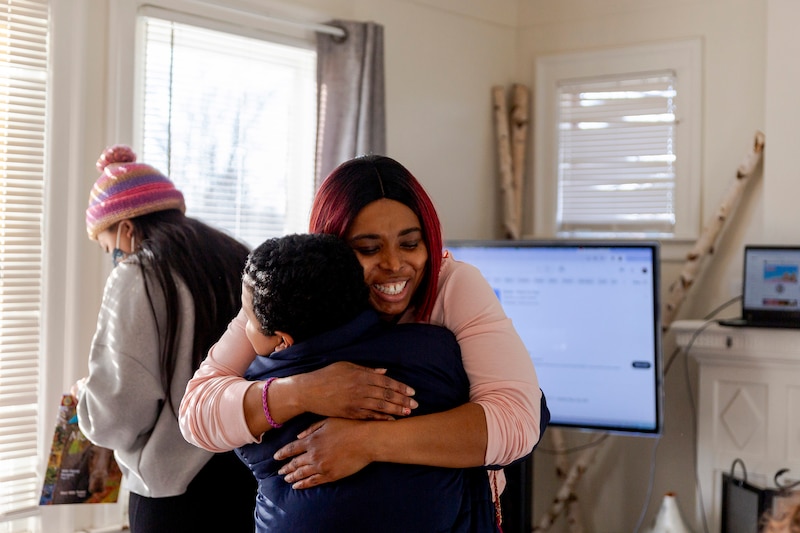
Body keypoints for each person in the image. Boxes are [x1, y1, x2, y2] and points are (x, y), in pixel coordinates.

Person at [179, 154, 548, 528]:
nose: (394, 264)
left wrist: (366, 441)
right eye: (368, 249)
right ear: (331, 248)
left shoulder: (453, 286)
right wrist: (301, 392)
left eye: (410, 244)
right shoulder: (294, 291)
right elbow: (195, 415)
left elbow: (517, 421)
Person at [236, 232, 497, 531]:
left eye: (248, 319)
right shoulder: (436, 352)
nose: (243, 329)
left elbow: (228, 431)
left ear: (283, 341)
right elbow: (525, 412)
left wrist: (368, 441)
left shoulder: (255, 383)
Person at [73, 144, 256, 533]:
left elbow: (119, 413)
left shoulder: (138, 274)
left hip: (176, 492)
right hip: (249, 475)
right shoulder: (235, 257)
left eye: (110, 249)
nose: (115, 258)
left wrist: (85, 398)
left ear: (126, 228)